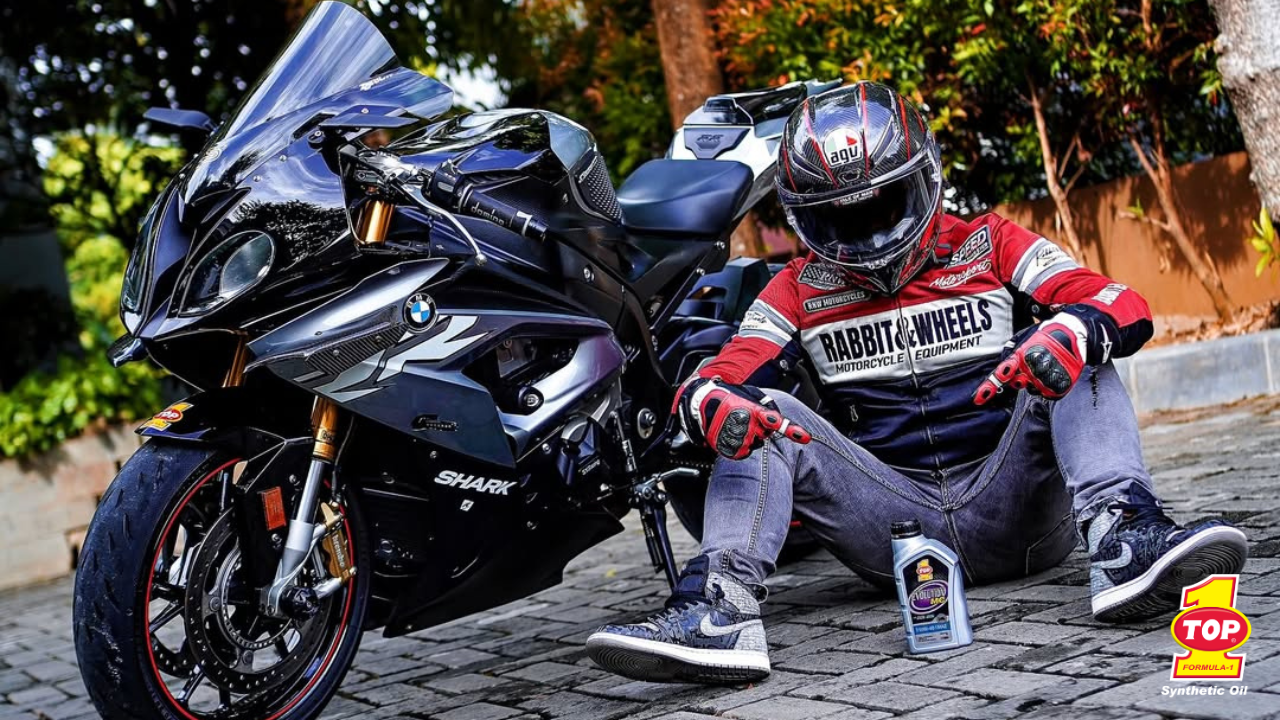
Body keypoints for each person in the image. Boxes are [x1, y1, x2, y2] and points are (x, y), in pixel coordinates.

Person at [584, 81, 1249, 685]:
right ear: (803, 214)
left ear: (925, 177)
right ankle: (720, 611)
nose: (868, 233)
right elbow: (716, 377)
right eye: (840, 218)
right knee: (757, 410)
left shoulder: (991, 242)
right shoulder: (797, 287)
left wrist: (1069, 333)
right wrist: (710, 404)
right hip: (892, 532)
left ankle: (1124, 541)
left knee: (1078, 345)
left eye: (884, 204)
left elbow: (1120, 302)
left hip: (1017, 507)